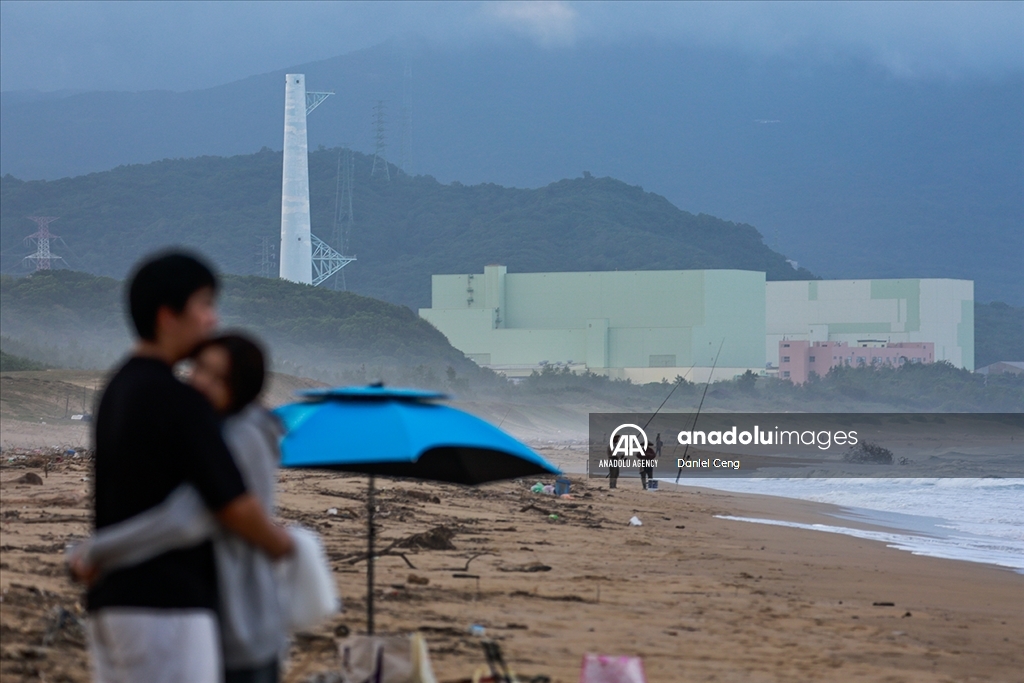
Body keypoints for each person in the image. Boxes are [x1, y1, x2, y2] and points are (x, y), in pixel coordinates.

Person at [82, 252, 294, 683]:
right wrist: (283, 546)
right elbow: (228, 506)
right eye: (204, 306)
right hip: (166, 606)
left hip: (111, 604)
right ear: (167, 316)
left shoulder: (118, 386)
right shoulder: (178, 402)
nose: (212, 320)